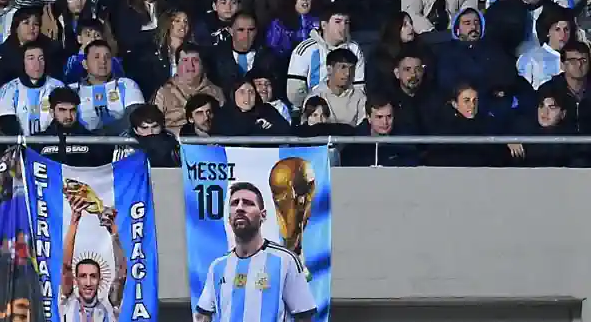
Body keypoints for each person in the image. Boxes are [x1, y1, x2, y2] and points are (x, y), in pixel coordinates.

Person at [193, 182, 316, 322]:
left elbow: (304, 316)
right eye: (234, 203)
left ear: (263, 215)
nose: (239, 208)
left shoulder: (285, 260)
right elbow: (202, 316)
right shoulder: (217, 267)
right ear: (229, 218)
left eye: (248, 203)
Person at [59, 191, 125, 322]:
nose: (88, 283)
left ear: (100, 280)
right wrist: (74, 220)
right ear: (76, 280)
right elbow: (66, 266)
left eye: (93, 276)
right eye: (83, 276)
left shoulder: (109, 307)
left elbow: (121, 273)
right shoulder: (68, 303)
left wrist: (114, 233)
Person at [287, 7, 366, 110]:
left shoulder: (354, 49)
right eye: (338, 22)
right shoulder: (306, 49)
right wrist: (313, 108)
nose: (343, 27)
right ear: (324, 25)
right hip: (314, 111)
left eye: (346, 22)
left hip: (346, 110)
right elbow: (294, 92)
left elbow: (359, 88)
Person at [152, 44, 224, 134]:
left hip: (208, 143)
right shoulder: (163, 92)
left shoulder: (216, 92)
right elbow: (154, 126)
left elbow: (223, 124)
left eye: (195, 60)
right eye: (185, 60)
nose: (190, 65)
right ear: (177, 65)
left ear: (202, 65)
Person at [36, 86, 112, 166]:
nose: (68, 116)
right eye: (62, 110)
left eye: (72, 110)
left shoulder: (93, 141)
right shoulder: (37, 142)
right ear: (52, 112)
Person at [341, 94, 421, 167]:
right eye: (379, 117)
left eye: (389, 116)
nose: (385, 122)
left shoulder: (405, 141)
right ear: (368, 117)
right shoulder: (354, 144)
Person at [117, 103, 180, 167]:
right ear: (135, 130)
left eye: (155, 126)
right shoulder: (125, 143)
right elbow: (118, 170)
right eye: (144, 128)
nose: (150, 132)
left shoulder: (173, 140)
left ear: (161, 126)